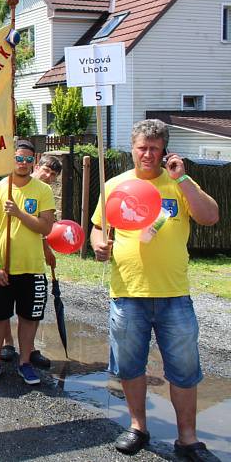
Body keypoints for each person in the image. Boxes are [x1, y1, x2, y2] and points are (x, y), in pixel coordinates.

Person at [91, 120, 219, 458]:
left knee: (184, 369)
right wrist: (98, 244)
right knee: (131, 367)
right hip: (128, 293)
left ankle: (188, 439)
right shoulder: (115, 185)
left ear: (164, 150)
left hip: (174, 295)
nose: (148, 153)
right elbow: (96, 228)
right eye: (142, 147)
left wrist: (184, 179)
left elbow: (210, 216)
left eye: (154, 148)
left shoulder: (178, 183)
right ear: (132, 148)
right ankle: (138, 428)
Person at [0, 140, 55, 386]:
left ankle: (25, 362)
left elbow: (45, 227)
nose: (22, 163)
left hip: (32, 267)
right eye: (18, 158)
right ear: (9, 159)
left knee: (29, 317)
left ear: (34, 160)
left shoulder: (43, 190)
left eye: (27, 159)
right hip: (2, 269)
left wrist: (20, 214)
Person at [0, 154, 62, 367]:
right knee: (4, 307)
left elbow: (43, 228)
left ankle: (29, 349)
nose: (48, 176)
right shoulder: (7, 186)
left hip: (30, 258)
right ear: (37, 166)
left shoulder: (44, 192)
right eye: (46, 170)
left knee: (31, 309)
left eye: (53, 174)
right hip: (5, 256)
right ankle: (8, 344)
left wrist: (46, 249)